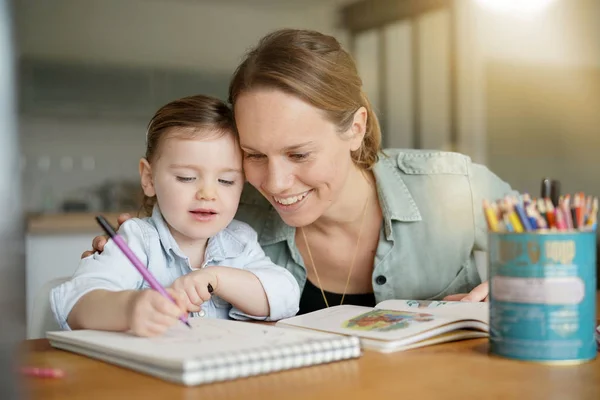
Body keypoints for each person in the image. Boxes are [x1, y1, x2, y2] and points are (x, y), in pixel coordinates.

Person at [84, 29, 512, 316]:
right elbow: (164, 264)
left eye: (299, 154)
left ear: (355, 128)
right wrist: (134, 258)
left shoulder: (452, 188)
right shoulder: (232, 212)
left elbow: (569, 249)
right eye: (253, 155)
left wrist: (524, 287)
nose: (274, 183)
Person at [52, 95, 300, 337]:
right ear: (149, 179)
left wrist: (217, 279)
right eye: (186, 178)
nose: (207, 193)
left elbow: (287, 297)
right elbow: (75, 303)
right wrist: (129, 308)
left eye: (226, 180)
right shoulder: (138, 240)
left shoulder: (240, 241)